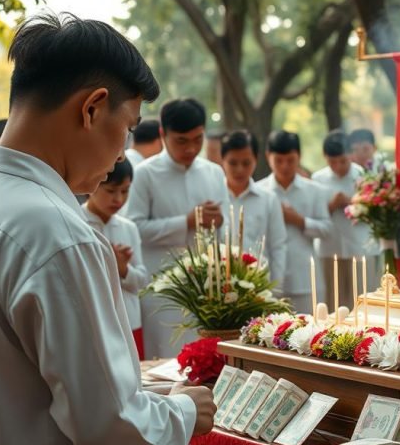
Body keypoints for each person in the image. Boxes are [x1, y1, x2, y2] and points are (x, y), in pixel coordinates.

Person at [0, 14, 216, 445]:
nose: (121, 155)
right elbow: (105, 419)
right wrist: (185, 411)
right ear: (93, 108)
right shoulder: (56, 231)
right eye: (128, 127)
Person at [124, 98, 227, 358]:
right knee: (164, 360)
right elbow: (134, 227)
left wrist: (218, 223)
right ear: (163, 134)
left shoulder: (214, 173)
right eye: (182, 141)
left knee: (207, 358)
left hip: (205, 286)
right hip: (160, 287)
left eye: (198, 139)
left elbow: (222, 229)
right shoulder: (145, 173)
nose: (191, 148)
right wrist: (187, 222)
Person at [82, 158, 149, 359]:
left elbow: (143, 280)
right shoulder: (77, 222)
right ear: (93, 185)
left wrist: (123, 269)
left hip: (129, 320)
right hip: (95, 321)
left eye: (125, 191)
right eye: (111, 191)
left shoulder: (128, 227)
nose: (118, 199)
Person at [258, 130, 331, 314]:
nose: (284, 166)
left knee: (312, 333)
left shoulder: (315, 190)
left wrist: (299, 220)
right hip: (267, 278)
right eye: (278, 160)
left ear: (299, 157)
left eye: (290, 160)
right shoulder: (259, 192)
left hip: (305, 277)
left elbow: (327, 229)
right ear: (268, 157)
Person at [312, 130, 376, 310]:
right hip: (329, 247)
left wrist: (349, 201)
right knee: (332, 302)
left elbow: (374, 211)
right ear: (325, 158)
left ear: (350, 155)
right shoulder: (318, 179)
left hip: (359, 246)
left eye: (343, 161)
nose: (338, 166)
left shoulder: (363, 175)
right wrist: (331, 205)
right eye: (332, 162)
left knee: (361, 300)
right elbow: (314, 214)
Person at [220, 129, 287, 285]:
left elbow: (278, 246)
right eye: (233, 163)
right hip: (218, 285)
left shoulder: (269, 199)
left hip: (258, 285)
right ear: (222, 159)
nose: (239, 169)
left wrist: (275, 288)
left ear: (256, 159)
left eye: (246, 163)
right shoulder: (213, 197)